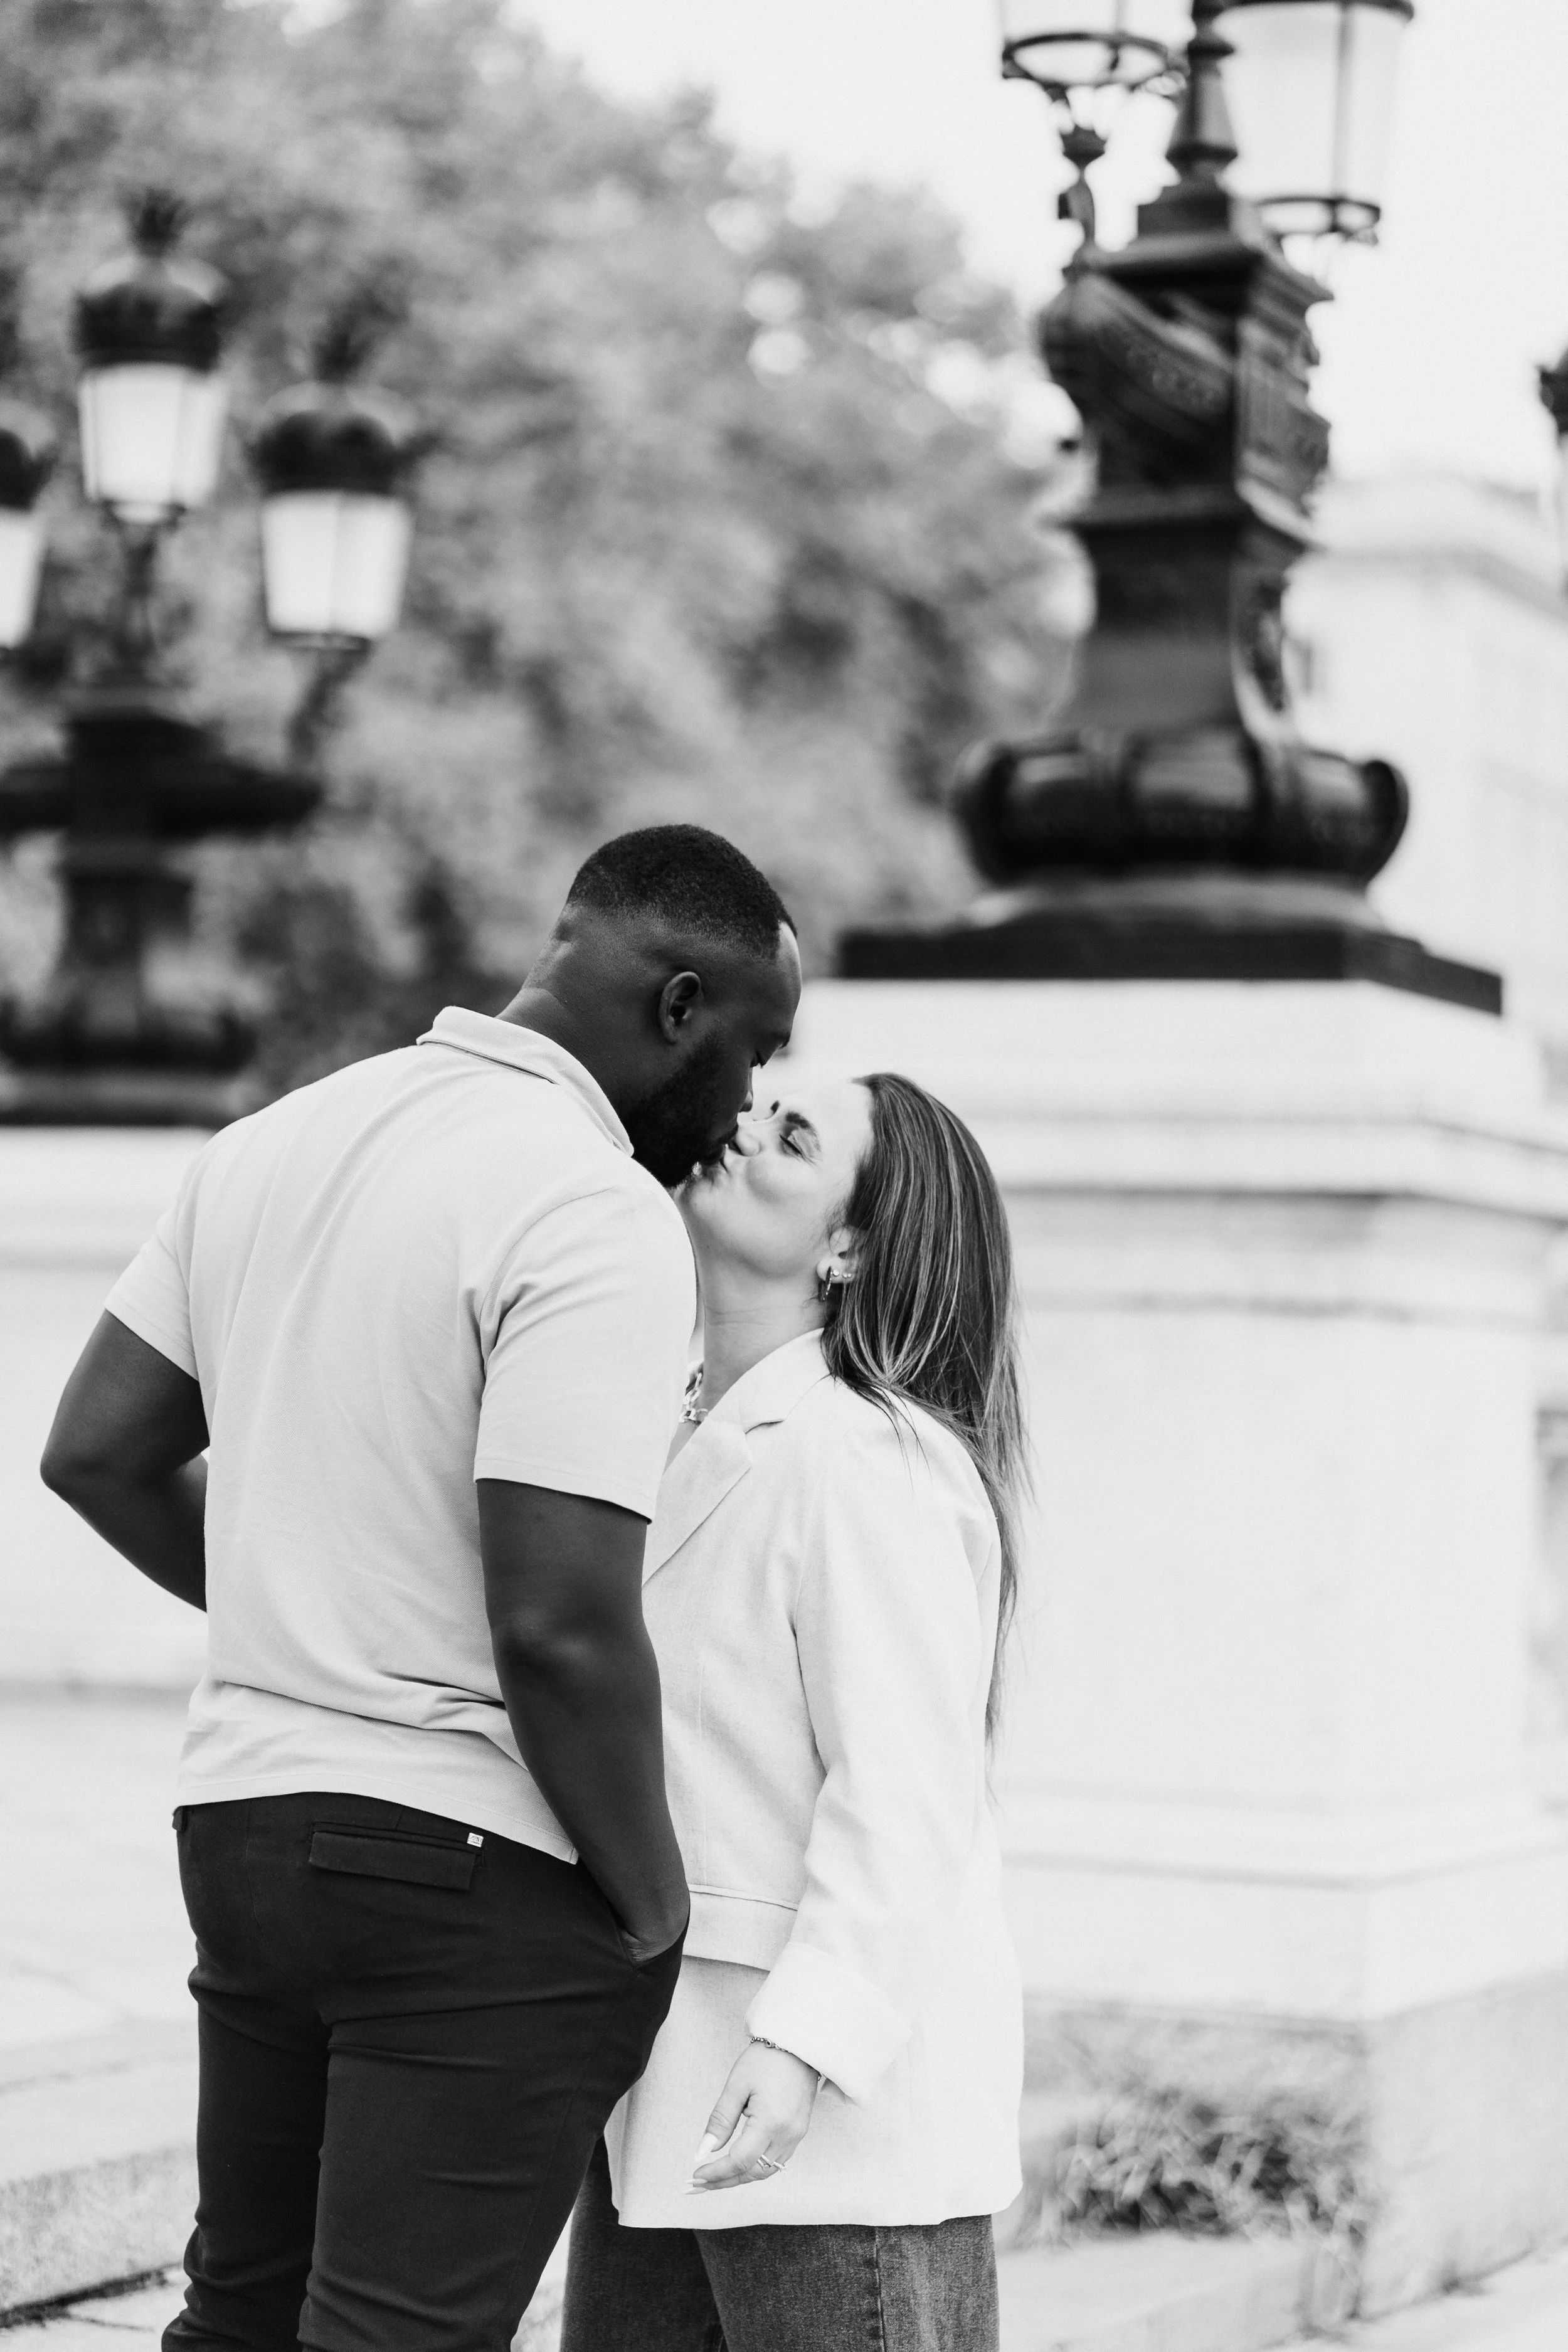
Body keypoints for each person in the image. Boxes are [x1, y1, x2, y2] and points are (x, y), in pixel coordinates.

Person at [40, 824, 800, 2352]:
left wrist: (301, 1608)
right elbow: (560, 1626)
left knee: (240, 2320)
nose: (739, 1112)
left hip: (245, 1831)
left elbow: (98, 1453)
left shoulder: (274, 1140)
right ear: (675, 1008)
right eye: (749, 1050)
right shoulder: (589, 1208)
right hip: (466, 1876)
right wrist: (652, 1910)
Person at [559, 1069, 1028, 2352]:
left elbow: (903, 1791)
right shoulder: (663, 1422)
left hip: (811, 2095)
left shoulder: (864, 1458)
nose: (742, 1125)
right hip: (664, 2083)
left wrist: (806, 2043)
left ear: (847, 1244)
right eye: (754, 1104)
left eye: (793, 1133)